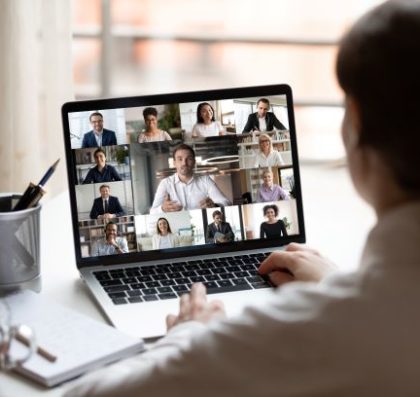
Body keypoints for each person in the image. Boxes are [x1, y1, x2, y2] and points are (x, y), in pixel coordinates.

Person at [65, 2, 420, 395]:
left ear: (356, 120)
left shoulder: (304, 332)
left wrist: (189, 339)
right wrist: (336, 287)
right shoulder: (165, 186)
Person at [150, 143, 231, 214]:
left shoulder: (205, 180)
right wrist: (163, 209)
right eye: (180, 159)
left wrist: (215, 205)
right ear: (174, 163)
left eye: (189, 159)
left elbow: (227, 203)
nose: (184, 163)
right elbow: (152, 212)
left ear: (194, 162)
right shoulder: (165, 183)